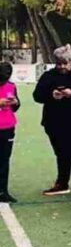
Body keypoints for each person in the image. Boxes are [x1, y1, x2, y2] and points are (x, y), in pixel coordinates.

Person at [33, 44, 71, 197]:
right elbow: (37, 96)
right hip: (54, 123)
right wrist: (51, 94)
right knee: (61, 153)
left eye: (65, 63)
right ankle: (62, 183)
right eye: (59, 64)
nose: (62, 67)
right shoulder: (48, 76)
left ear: (70, 62)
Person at [0, 62, 20, 204]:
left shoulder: (11, 86)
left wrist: (15, 102)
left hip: (7, 127)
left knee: (4, 160)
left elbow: (16, 107)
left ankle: (3, 191)